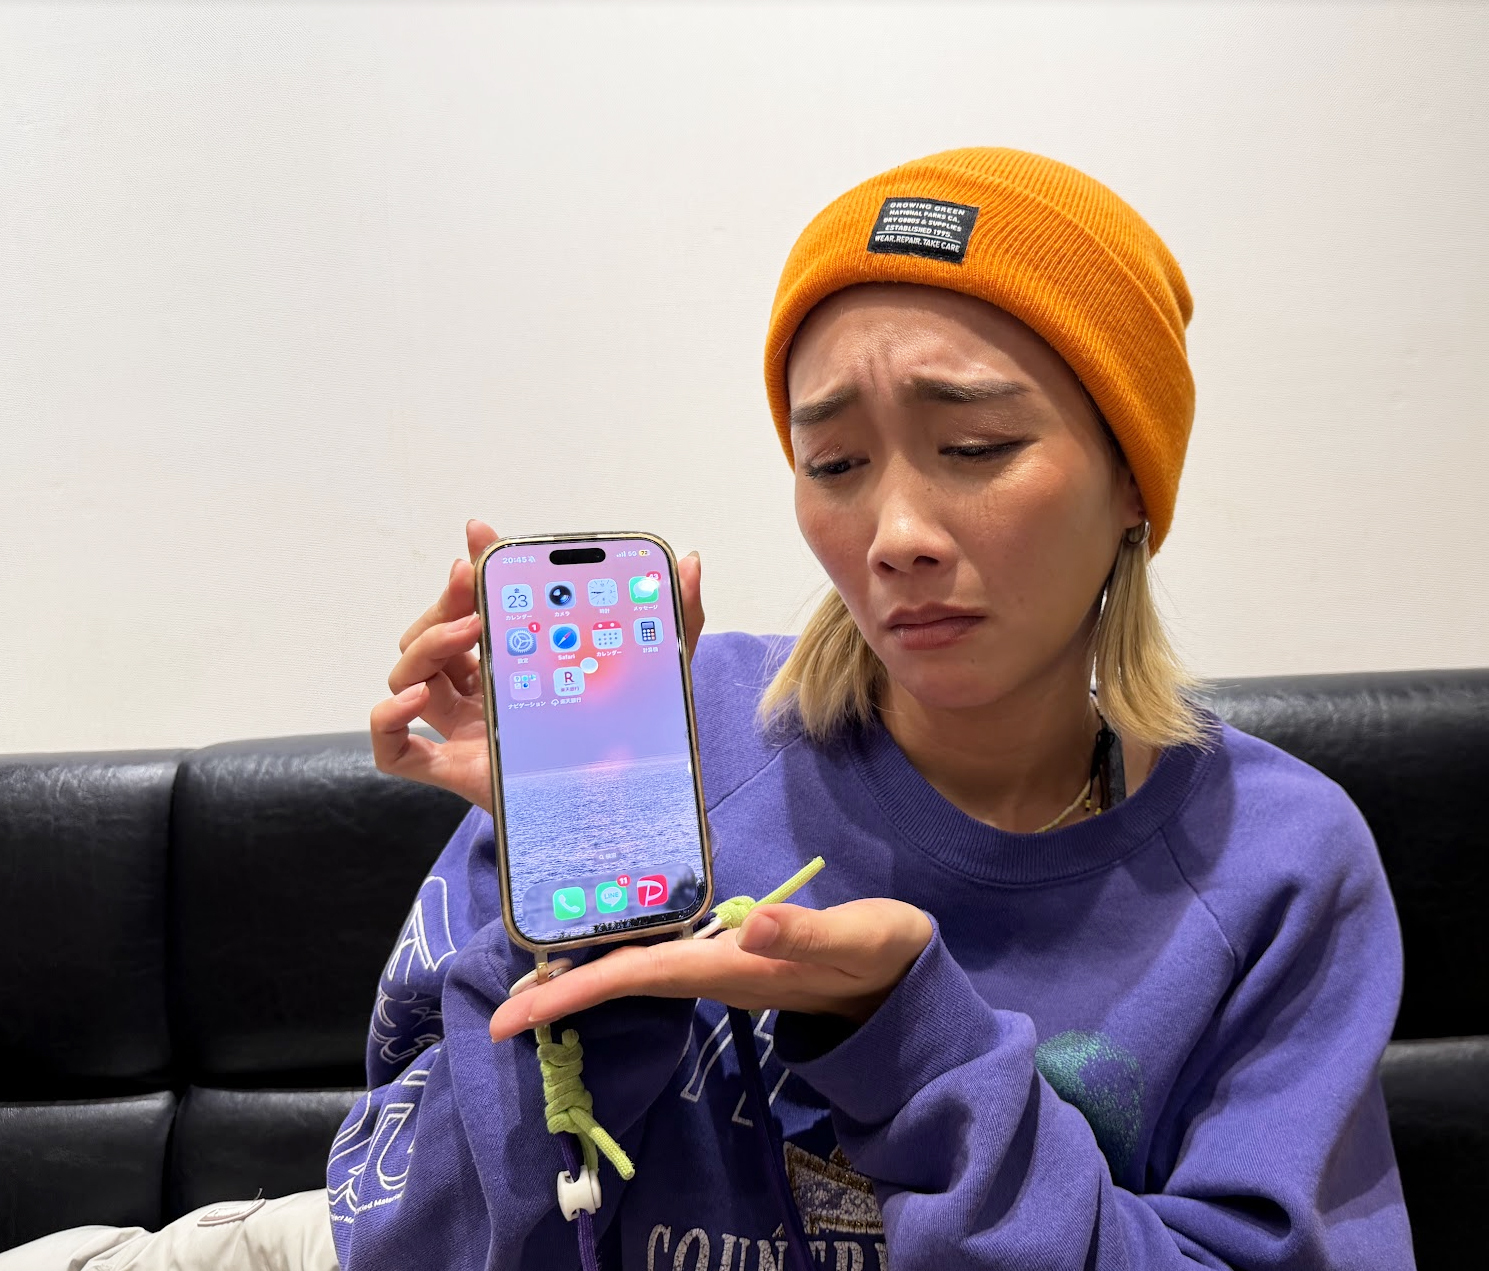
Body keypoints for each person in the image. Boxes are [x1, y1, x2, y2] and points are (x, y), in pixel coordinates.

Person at [4, 146, 1411, 1271]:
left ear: (1131, 483)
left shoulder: (1273, 864)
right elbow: (419, 1237)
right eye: (834, 463)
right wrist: (577, 926)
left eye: (976, 445)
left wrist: (909, 1036)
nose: (896, 534)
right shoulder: (658, 741)